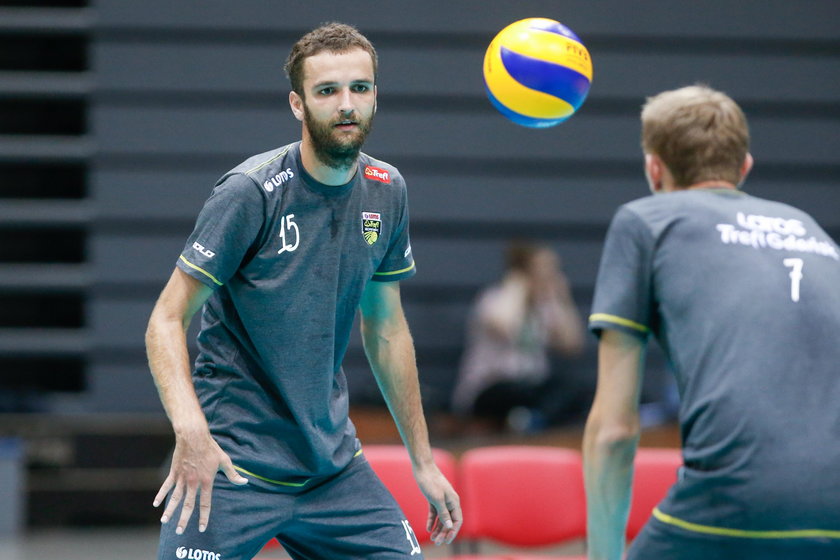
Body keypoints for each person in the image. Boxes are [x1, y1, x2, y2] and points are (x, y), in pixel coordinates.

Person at [145, 22, 461, 560]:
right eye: (327, 91)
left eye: (360, 88)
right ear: (298, 104)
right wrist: (190, 430)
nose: (346, 105)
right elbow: (166, 320)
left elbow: (385, 329)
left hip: (331, 469)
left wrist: (423, 461)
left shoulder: (387, 191)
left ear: (375, 96)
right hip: (230, 463)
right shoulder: (250, 193)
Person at [583, 84, 840, 560]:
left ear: (653, 168)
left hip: (734, 502)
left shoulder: (646, 221)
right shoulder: (811, 229)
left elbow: (614, 431)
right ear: (744, 168)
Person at [451, 242, 585, 432]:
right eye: (544, 270)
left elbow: (572, 345)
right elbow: (507, 327)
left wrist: (561, 298)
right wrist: (517, 286)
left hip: (530, 387)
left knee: (569, 390)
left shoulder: (544, 308)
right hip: (491, 388)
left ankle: (533, 420)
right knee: (514, 391)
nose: (549, 276)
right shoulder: (493, 299)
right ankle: (529, 418)